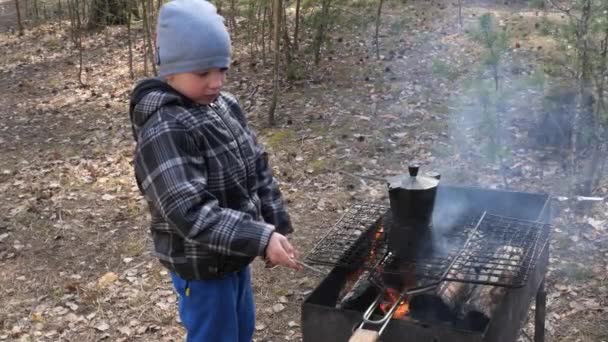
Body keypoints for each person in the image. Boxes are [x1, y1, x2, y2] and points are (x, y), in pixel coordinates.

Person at [128, 1, 301, 341]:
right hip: (201, 267)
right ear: (170, 72)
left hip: (234, 255)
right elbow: (189, 212)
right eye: (202, 73)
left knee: (240, 330)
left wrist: (274, 223)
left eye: (221, 69)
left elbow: (256, 167)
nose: (215, 82)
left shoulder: (225, 106)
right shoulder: (165, 129)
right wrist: (260, 236)